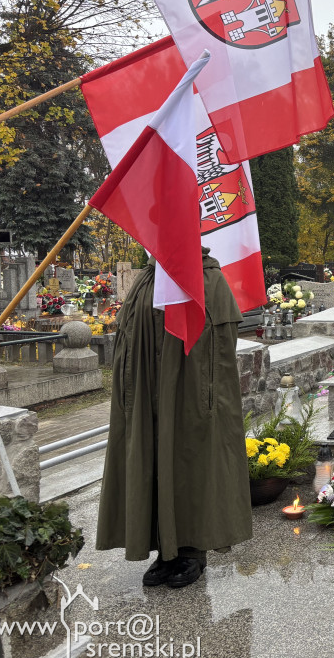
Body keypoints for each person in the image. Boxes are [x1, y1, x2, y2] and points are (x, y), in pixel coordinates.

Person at [96, 248, 252, 588]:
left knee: (189, 456)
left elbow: (220, 353)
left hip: (191, 394)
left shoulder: (209, 280)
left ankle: (191, 551)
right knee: (150, 454)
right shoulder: (146, 280)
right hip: (148, 393)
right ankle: (162, 551)